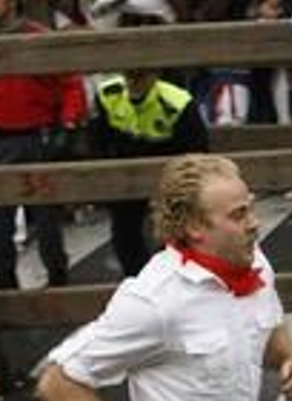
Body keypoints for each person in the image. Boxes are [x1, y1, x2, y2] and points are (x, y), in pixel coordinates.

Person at [36, 154, 292, 401]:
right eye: (238, 215)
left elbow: (266, 323)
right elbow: (59, 382)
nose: (255, 223)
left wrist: (291, 357)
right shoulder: (153, 300)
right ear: (194, 227)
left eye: (251, 208)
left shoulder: (253, 260)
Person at [0, 0, 86, 291]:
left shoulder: (40, 38)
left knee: (48, 217)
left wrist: (69, 123)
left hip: (39, 137)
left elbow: (71, 83)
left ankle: (58, 278)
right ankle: (5, 280)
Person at [89, 4, 209, 277]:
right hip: (126, 163)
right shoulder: (109, 93)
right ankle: (136, 283)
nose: (133, 79)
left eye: (139, 75)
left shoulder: (176, 101)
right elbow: (97, 141)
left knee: (175, 226)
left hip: (171, 159)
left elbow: (198, 151)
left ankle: (174, 278)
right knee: (124, 230)